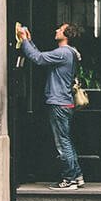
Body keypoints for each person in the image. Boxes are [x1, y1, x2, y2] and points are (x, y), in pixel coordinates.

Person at [20, 22, 85, 190]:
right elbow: (39, 54)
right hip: (65, 102)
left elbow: (38, 58)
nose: (56, 30)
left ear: (66, 35)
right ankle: (77, 176)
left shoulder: (63, 52)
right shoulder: (71, 53)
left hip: (58, 102)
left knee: (62, 142)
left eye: (60, 29)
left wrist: (24, 41)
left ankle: (69, 179)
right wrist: (29, 41)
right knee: (66, 140)